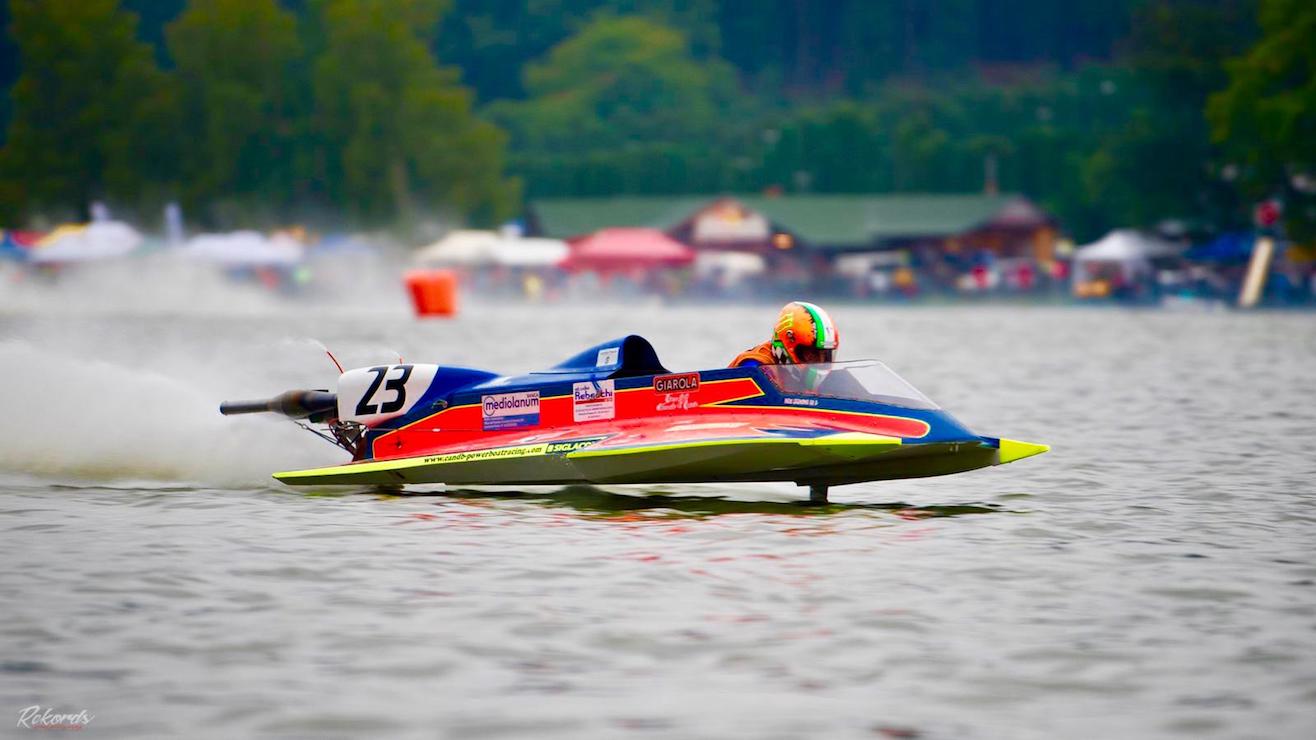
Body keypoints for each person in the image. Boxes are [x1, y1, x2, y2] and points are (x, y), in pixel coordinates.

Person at [731, 301, 839, 367]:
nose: (819, 362)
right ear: (788, 345)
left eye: (824, 356)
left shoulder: (830, 380)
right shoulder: (755, 365)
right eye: (811, 354)